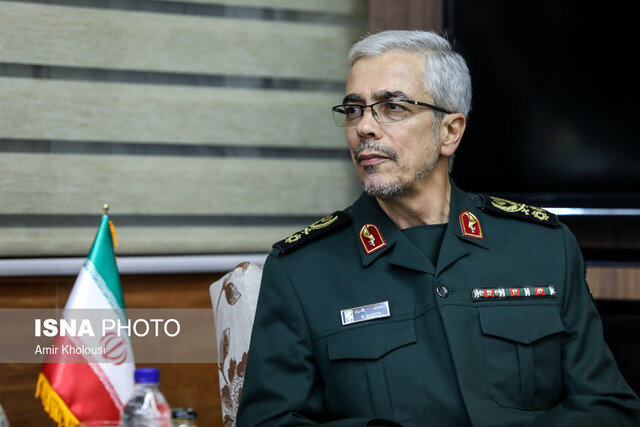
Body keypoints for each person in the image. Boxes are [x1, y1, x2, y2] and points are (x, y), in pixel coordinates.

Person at [236, 30, 640, 426]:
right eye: (354, 109)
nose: (364, 127)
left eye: (392, 107)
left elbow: (609, 406)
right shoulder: (302, 269)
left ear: (450, 132)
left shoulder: (542, 246)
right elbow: (268, 421)